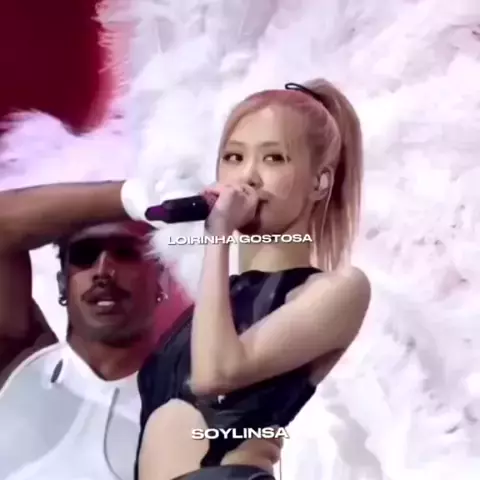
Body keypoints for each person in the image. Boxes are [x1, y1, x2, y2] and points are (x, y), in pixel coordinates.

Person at [135, 79, 371, 480]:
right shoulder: (212, 308)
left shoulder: (337, 290)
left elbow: (215, 374)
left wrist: (219, 235)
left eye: (274, 158)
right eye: (233, 157)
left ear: (319, 182)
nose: (247, 176)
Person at [0, 181, 187, 480]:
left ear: (161, 281)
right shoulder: (18, 360)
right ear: (62, 284)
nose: (103, 272)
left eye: (125, 253)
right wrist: (136, 196)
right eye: (85, 255)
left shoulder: (193, 401)